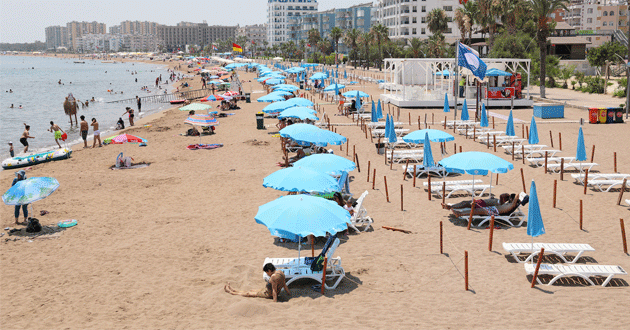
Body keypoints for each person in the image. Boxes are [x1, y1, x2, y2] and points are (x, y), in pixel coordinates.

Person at [224, 263, 291, 302]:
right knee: (251, 290)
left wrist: (274, 302)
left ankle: (232, 292)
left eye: (267, 272)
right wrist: (288, 293)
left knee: (248, 293)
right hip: (266, 290)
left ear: (269, 270)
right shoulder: (280, 272)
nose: (267, 274)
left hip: (268, 293)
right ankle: (234, 290)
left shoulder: (273, 277)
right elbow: (284, 284)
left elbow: (274, 291)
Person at [449, 193, 521, 217]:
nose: (510, 199)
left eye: (512, 199)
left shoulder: (511, 206)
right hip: (494, 209)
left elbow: (515, 202)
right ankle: (460, 213)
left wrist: (518, 197)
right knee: (475, 210)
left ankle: (459, 214)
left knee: (475, 211)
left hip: (494, 211)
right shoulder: (508, 204)